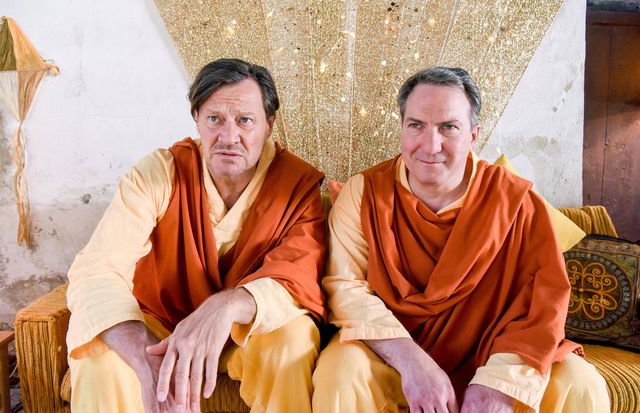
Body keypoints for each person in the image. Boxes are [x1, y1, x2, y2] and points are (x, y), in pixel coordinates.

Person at [313, 67, 609, 412]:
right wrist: (412, 363)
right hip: (393, 353)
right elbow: (345, 287)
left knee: (581, 382)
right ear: (402, 128)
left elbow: (543, 305)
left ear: (473, 135)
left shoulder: (516, 201)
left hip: (493, 353)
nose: (430, 145)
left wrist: (498, 384)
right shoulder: (363, 193)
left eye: (448, 127)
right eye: (416, 125)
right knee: (340, 370)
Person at [66, 58, 327, 413]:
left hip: (244, 331)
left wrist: (225, 306)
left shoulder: (296, 186)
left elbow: (298, 277)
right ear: (197, 120)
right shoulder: (160, 174)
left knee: (293, 341)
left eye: (245, 121)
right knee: (102, 359)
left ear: (269, 125)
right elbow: (98, 268)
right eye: (215, 119)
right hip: (163, 327)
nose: (229, 137)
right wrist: (144, 354)